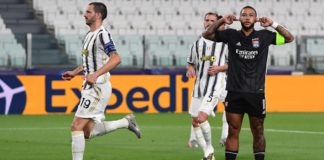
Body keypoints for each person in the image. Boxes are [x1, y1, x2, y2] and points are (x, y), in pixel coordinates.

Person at [202, 6, 294, 160]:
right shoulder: (231, 35)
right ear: (239, 18)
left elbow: (290, 38)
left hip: (256, 93)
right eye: (244, 15)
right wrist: (221, 21)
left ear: (255, 19)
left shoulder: (265, 36)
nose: (247, 17)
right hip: (234, 92)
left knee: (258, 131)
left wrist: (273, 23)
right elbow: (206, 34)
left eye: (251, 15)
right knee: (233, 130)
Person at [61, 2, 141, 160]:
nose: (84, 14)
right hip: (90, 85)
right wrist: (75, 72)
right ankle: (126, 122)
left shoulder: (102, 34)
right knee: (87, 132)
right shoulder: (89, 34)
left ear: (98, 15)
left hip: (97, 87)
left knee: (76, 126)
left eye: (88, 12)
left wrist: (96, 74)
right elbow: (89, 61)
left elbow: (116, 58)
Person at [186, 12, 229, 160]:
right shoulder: (198, 43)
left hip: (216, 85)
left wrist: (220, 68)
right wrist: (190, 68)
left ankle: (213, 144)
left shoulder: (225, 42)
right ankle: (207, 152)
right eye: (207, 20)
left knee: (202, 117)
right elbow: (191, 61)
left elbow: (234, 64)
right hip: (199, 87)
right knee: (195, 121)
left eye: (212, 20)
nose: (209, 22)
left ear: (217, 23)